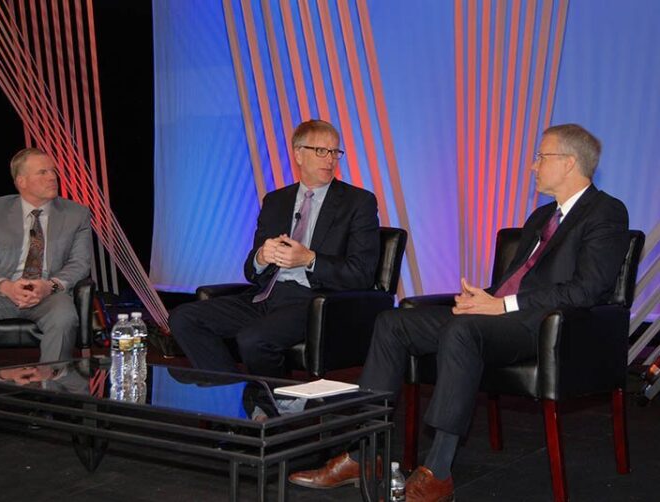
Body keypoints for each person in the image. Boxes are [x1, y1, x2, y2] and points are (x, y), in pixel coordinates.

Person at [288, 124, 630, 501]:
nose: (533, 166)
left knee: (462, 332)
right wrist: (483, 298)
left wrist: (501, 305)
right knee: (393, 322)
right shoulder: (541, 217)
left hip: (545, 327)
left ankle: (438, 470)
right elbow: (518, 279)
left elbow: (587, 289)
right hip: (501, 317)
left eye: (540, 157)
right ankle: (362, 453)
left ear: (568, 163)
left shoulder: (606, 212)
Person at [169, 119, 380, 377]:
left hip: (314, 302)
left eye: (335, 152)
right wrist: (261, 257)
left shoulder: (358, 202)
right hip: (266, 296)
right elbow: (251, 271)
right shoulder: (276, 201)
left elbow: (362, 273)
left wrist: (310, 259)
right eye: (321, 151)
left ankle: (273, 399)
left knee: (253, 339)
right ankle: (227, 389)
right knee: (183, 318)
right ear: (298, 154)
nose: (330, 159)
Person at [0, 147, 93, 373]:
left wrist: (49, 286)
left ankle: (51, 387)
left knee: (64, 316)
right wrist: (6, 286)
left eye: (53, 171)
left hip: (47, 293)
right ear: (21, 181)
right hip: (0, 291)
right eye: (43, 172)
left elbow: (80, 264)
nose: (52, 177)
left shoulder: (77, 214)